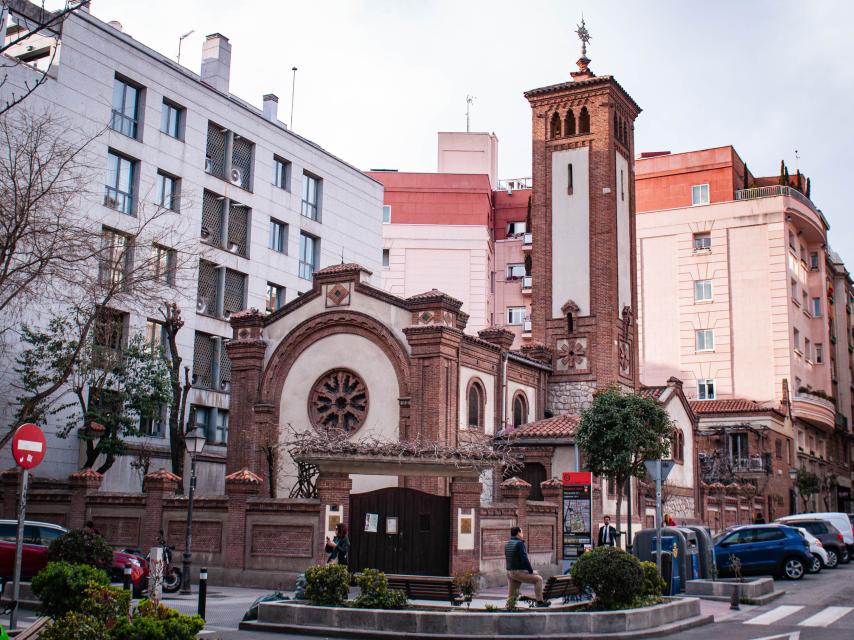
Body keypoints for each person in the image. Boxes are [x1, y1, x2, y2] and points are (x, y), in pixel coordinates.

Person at [504, 527, 549, 607]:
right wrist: (531, 571)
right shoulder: (519, 543)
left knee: (512, 596)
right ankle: (540, 602)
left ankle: (509, 607)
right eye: (522, 532)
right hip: (518, 572)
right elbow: (524, 559)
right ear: (518, 533)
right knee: (538, 579)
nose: (522, 534)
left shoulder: (507, 543)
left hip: (510, 572)